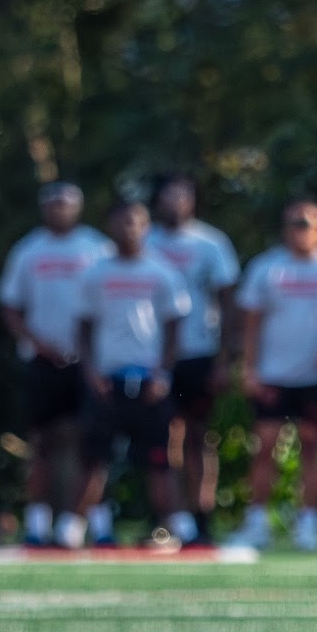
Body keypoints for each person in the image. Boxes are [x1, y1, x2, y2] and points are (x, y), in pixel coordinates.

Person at [228, 200, 317, 554]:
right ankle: (257, 523)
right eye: (293, 223)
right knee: (264, 449)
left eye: (306, 223)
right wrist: (249, 369)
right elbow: (251, 325)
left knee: (313, 449)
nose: (299, 230)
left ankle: (309, 525)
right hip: (273, 375)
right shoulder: (267, 268)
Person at [68, 200, 196, 551]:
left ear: (146, 226)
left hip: (149, 381)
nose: (129, 229)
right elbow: (83, 326)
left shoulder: (162, 271)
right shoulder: (96, 272)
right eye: (122, 222)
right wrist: (91, 373)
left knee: (160, 459)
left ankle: (176, 527)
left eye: (135, 222)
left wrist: (163, 374)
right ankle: (78, 528)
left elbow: (173, 326)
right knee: (95, 458)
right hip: (108, 379)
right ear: (111, 226)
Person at [0, 182, 111, 546]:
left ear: (78, 207)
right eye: (53, 204)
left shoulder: (97, 248)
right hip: (42, 362)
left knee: (90, 445)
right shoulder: (29, 250)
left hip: (88, 363)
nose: (59, 210)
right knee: (41, 443)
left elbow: (110, 304)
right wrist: (40, 345)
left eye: (66, 204)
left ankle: (91, 523)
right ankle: (37, 524)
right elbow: (11, 308)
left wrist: (90, 351)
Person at [148, 174, 241, 545]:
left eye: (181, 195)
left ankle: (201, 516)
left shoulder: (211, 243)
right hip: (152, 358)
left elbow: (229, 301)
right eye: (168, 195)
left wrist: (224, 358)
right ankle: (171, 518)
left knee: (199, 438)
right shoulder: (146, 240)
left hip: (199, 353)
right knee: (162, 437)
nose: (174, 202)